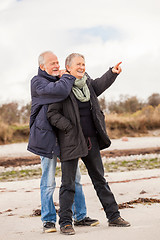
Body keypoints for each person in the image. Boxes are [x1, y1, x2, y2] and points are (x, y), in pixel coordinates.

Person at [47, 53, 131, 235]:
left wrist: (113, 72)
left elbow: (100, 84)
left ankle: (114, 216)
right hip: (70, 142)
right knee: (68, 183)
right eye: (78, 64)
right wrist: (68, 127)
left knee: (100, 180)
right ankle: (66, 223)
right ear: (68, 67)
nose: (82, 67)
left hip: (91, 140)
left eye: (83, 64)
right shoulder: (61, 87)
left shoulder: (87, 84)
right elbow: (52, 114)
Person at [27, 51, 99, 233]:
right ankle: (49, 221)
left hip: (64, 138)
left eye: (57, 61)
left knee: (75, 178)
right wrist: (67, 75)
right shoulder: (38, 82)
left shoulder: (59, 80)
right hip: (46, 139)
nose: (55, 65)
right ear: (42, 66)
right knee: (48, 180)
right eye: (51, 63)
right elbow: (60, 91)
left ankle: (80, 216)